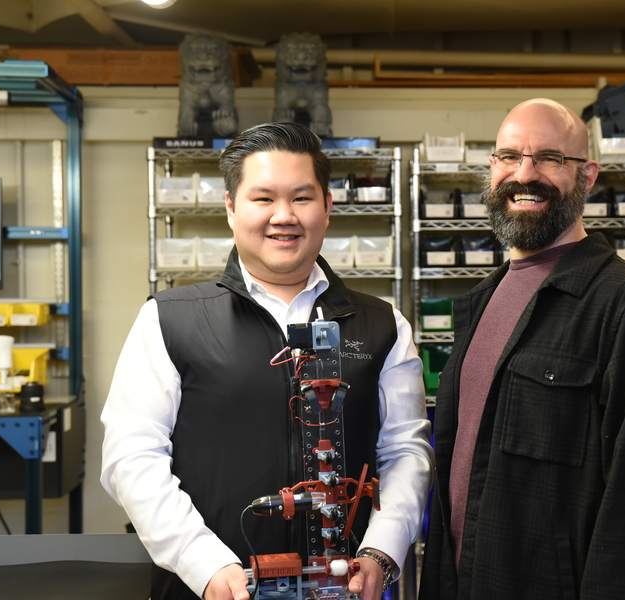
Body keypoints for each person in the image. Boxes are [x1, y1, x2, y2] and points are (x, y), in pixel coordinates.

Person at [101, 122, 434, 600]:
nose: (284, 216)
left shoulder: (383, 325)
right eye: (263, 198)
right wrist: (205, 565)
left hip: (342, 586)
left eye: (302, 198)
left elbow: (405, 452)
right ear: (231, 207)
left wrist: (382, 552)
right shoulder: (169, 320)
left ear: (327, 206)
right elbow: (132, 458)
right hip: (211, 589)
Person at [418, 98, 625, 599]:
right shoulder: (483, 302)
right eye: (510, 156)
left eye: (550, 158)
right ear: (493, 167)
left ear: (586, 175)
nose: (525, 174)